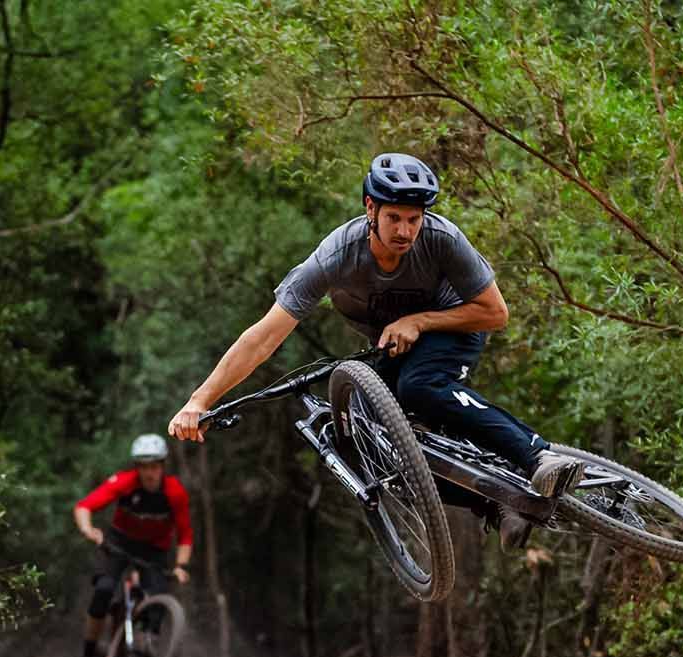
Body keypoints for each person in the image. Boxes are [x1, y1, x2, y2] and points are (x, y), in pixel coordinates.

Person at [167, 151, 583, 549]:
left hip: (454, 324)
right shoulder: (336, 257)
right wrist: (200, 399)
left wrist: (420, 321)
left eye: (413, 220)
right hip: (395, 346)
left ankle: (536, 456)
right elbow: (262, 337)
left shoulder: (440, 239)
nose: (404, 231)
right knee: (365, 446)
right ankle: (496, 501)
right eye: (394, 218)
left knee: (422, 386)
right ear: (370, 208)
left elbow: (494, 313)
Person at [72, 434, 193, 657]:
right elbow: (84, 506)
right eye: (144, 467)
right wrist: (87, 529)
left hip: (154, 552)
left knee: (158, 601)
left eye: (155, 466)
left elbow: (185, 535)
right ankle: (87, 655)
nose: (150, 473)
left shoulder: (175, 492)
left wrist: (180, 566)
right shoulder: (125, 482)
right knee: (103, 591)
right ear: (137, 468)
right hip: (119, 544)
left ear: (162, 466)